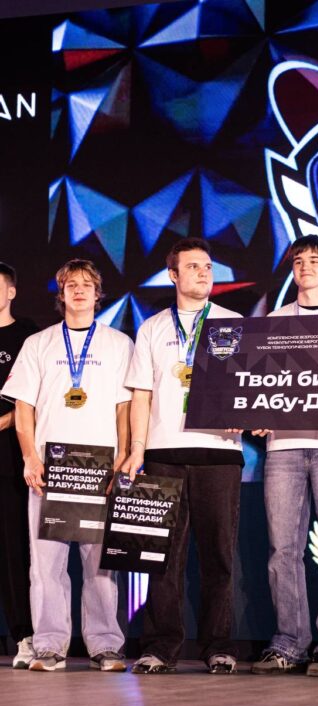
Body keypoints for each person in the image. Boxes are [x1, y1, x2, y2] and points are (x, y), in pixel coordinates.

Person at [2, 259, 133, 672]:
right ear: (61, 294)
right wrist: (30, 456)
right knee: (46, 566)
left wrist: (123, 454)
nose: (79, 290)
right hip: (51, 466)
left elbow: (124, 407)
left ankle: (105, 645)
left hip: (100, 466)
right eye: (71, 284)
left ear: (98, 294)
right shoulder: (38, 343)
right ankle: (49, 646)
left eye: (87, 284)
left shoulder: (119, 344)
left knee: (101, 564)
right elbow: (24, 407)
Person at [122, 237, 243, 675]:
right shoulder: (152, 328)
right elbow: (141, 394)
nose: (203, 273)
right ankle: (160, 647)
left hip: (219, 452)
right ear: (173, 275)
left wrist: (247, 414)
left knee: (219, 557)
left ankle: (218, 646)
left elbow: (250, 386)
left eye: (208, 266)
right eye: (193, 267)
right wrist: (136, 449)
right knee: (161, 557)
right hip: (163, 453)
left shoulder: (235, 323)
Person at [251, 235, 318, 677]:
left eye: (315, 260)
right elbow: (255, 383)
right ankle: (290, 642)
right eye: (299, 261)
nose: (306, 266)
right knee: (282, 550)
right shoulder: (272, 322)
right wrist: (257, 412)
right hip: (284, 447)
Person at [0, 263, 37, 669]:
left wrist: (6, 421)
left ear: (11, 291)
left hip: (9, 463)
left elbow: (33, 398)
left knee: (14, 555)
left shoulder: (28, 336)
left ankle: (24, 636)